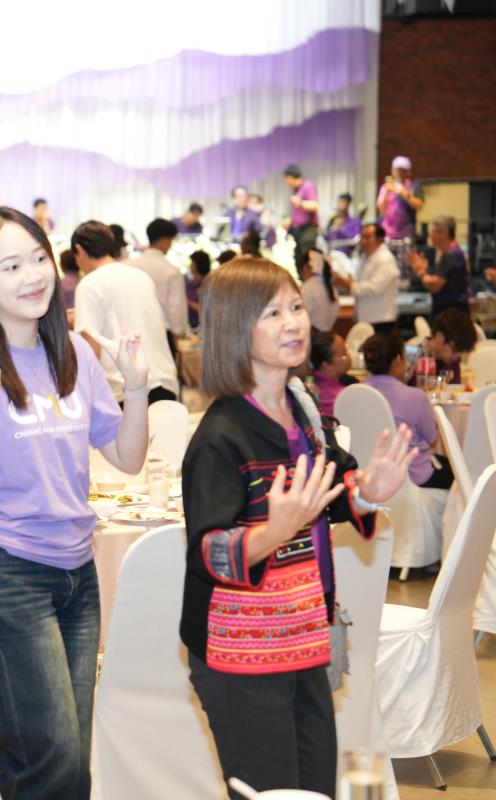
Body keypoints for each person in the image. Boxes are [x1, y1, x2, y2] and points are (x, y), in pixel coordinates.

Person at [0, 206, 148, 799]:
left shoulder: (73, 350)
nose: (32, 276)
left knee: (62, 757)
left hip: (77, 571)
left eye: (38, 259)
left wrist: (136, 388)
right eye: (10, 266)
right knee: (54, 754)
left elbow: (127, 457)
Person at [182, 257, 411, 799]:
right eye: (272, 313)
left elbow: (333, 488)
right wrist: (273, 532)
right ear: (235, 328)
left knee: (314, 792)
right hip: (242, 653)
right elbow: (209, 552)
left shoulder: (301, 410)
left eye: (296, 307)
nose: (293, 323)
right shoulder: (221, 436)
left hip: (305, 634)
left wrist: (367, 491)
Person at [73, 220, 179, 404]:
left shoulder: (89, 284)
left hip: (125, 391)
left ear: (79, 250)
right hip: (164, 383)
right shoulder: (141, 276)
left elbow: (90, 349)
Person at [362, 332, 453, 489]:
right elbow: (432, 438)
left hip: (368, 473)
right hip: (413, 476)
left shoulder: (356, 393)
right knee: (456, 473)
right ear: (398, 360)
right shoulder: (415, 396)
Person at [332, 223, 399, 332]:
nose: (363, 241)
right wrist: (348, 282)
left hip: (380, 319)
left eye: (367, 237)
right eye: (362, 237)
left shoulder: (385, 259)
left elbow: (375, 287)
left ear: (379, 239)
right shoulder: (365, 257)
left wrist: (349, 285)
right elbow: (358, 280)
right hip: (365, 317)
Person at [132, 218, 187, 344]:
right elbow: (176, 308)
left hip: (133, 331)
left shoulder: (130, 265)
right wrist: (178, 334)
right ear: (165, 240)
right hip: (161, 334)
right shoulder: (171, 271)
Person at [407, 215, 470, 318]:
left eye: (433, 231)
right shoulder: (453, 252)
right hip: (452, 311)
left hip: (451, 313)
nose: (431, 236)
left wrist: (420, 271)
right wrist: (426, 270)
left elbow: (435, 285)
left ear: (444, 233)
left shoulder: (451, 254)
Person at [376, 155, 424, 272]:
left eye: (402, 170)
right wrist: (387, 193)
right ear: (392, 171)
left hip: (405, 236)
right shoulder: (386, 187)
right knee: (385, 268)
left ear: (408, 172)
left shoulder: (414, 186)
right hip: (387, 235)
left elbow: (419, 205)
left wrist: (404, 193)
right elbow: (381, 209)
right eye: (397, 170)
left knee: (403, 270)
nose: (399, 173)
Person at [421, 308, 478, 384]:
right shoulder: (414, 359)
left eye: (461, 352)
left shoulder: (452, 363)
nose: (457, 356)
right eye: (455, 350)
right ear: (440, 336)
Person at [308, 330, 355, 417]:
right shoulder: (337, 396)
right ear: (326, 365)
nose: (349, 356)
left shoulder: (311, 382)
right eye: (343, 354)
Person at [283, 164, 320, 269]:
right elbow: (297, 212)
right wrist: (291, 221)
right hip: (298, 229)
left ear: (291, 177)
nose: (286, 182)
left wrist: (301, 203)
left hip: (308, 229)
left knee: (307, 259)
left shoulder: (308, 186)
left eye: (286, 179)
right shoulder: (296, 189)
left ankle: (310, 279)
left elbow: (315, 205)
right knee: (298, 259)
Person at [298, 248, 338, 332]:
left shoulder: (308, 288)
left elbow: (299, 317)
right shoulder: (331, 287)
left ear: (306, 266)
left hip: (312, 336)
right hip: (328, 335)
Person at [186, 251, 211, 329]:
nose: (190, 265)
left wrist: (188, 302)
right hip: (191, 325)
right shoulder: (190, 283)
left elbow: (207, 309)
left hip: (203, 326)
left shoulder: (208, 283)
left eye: (192, 263)